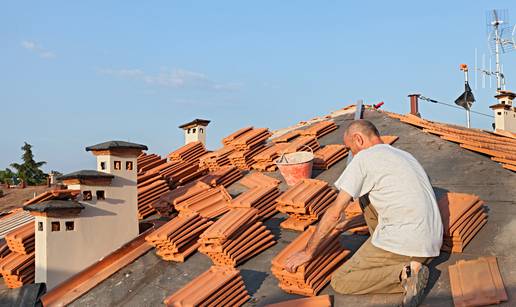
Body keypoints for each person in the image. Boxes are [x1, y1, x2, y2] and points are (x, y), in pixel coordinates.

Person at [284, 119, 443, 307]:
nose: (352, 154)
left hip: (405, 243)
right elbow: (393, 205)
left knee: (342, 280)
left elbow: (335, 212)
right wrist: (348, 224)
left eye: (350, 148)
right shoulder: (405, 156)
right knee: (366, 194)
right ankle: (412, 263)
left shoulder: (364, 158)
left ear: (358, 139)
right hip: (431, 243)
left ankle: (405, 273)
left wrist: (308, 252)